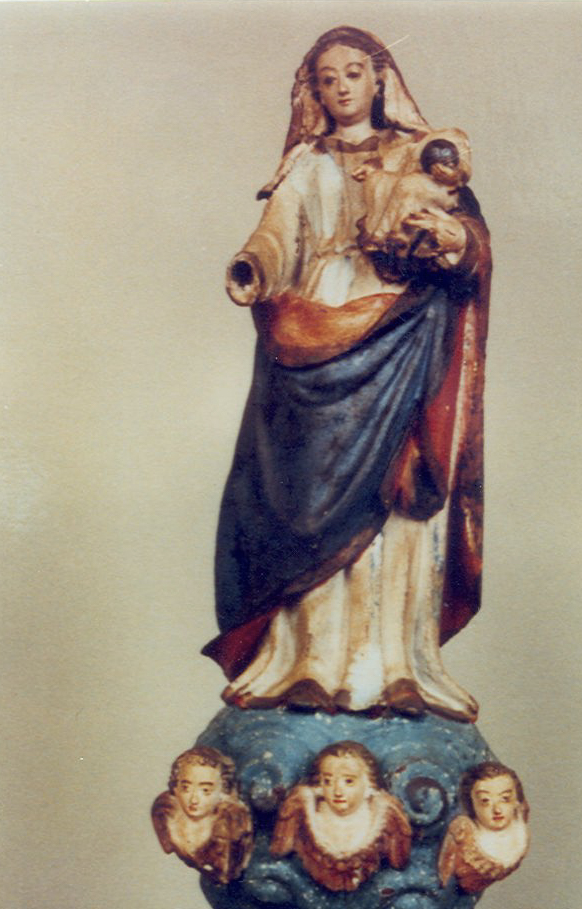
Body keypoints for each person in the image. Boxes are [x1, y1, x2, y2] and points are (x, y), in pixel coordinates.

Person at [203, 27, 491, 722]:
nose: (341, 88)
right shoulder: (307, 164)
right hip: (314, 329)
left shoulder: (418, 155)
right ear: (313, 92)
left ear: (380, 79)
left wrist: (451, 242)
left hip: (400, 330)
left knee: (393, 499)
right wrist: (254, 266)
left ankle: (393, 665)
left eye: (353, 73)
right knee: (306, 499)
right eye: (327, 78)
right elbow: (278, 234)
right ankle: (305, 664)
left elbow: (468, 241)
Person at [270, 741, 412, 892]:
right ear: (319, 786)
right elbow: (278, 850)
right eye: (328, 781)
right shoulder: (308, 814)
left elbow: (399, 861)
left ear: (369, 785)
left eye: (348, 781)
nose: (337, 791)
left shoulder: (382, 815)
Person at [355, 129, 471, 264]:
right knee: (377, 179)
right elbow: (394, 160)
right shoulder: (402, 142)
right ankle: (375, 233)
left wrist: (454, 175)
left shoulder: (452, 136)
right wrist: (374, 165)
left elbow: (463, 170)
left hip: (441, 189)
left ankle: (392, 235)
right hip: (413, 182)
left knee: (409, 185)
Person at [151, 746, 252, 885]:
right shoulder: (166, 814)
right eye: (186, 788)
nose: (194, 800)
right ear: (175, 788)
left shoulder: (230, 827)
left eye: (205, 790)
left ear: (223, 792)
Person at [437, 761, 530, 894]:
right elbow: (446, 875)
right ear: (472, 804)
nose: (497, 809)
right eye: (485, 801)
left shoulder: (519, 833)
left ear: (516, 801)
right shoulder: (464, 834)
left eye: (505, 798)